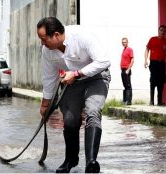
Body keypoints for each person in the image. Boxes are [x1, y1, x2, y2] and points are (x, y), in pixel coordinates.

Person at [37, 17, 111, 173]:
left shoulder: (81, 35)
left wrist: (76, 74)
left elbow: (103, 61)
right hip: (72, 83)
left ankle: (91, 162)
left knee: (93, 111)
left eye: (44, 39)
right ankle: (70, 160)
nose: (42, 43)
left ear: (56, 35)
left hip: (96, 77)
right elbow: (49, 79)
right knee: (70, 119)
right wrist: (45, 105)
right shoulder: (47, 52)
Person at [144, 25, 166, 106]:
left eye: (164, 30)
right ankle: (151, 101)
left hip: (162, 64)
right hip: (154, 63)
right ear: (158, 30)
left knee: (161, 82)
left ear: (165, 32)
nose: (162, 32)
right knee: (153, 81)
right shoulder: (152, 39)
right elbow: (147, 49)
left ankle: (160, 101)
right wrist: (145, 60)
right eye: (161, 30)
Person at [120, 37, 134, 105]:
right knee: (125, 85)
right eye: (122, 42)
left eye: (125, 42)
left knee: (128, 85)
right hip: (122, 70)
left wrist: (128, 69)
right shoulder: (123, 50)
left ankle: (129, 101)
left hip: (126, 70)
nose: (123, 43)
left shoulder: (129, 49)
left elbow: (132, 60)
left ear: (127, 42)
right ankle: (124, 100)